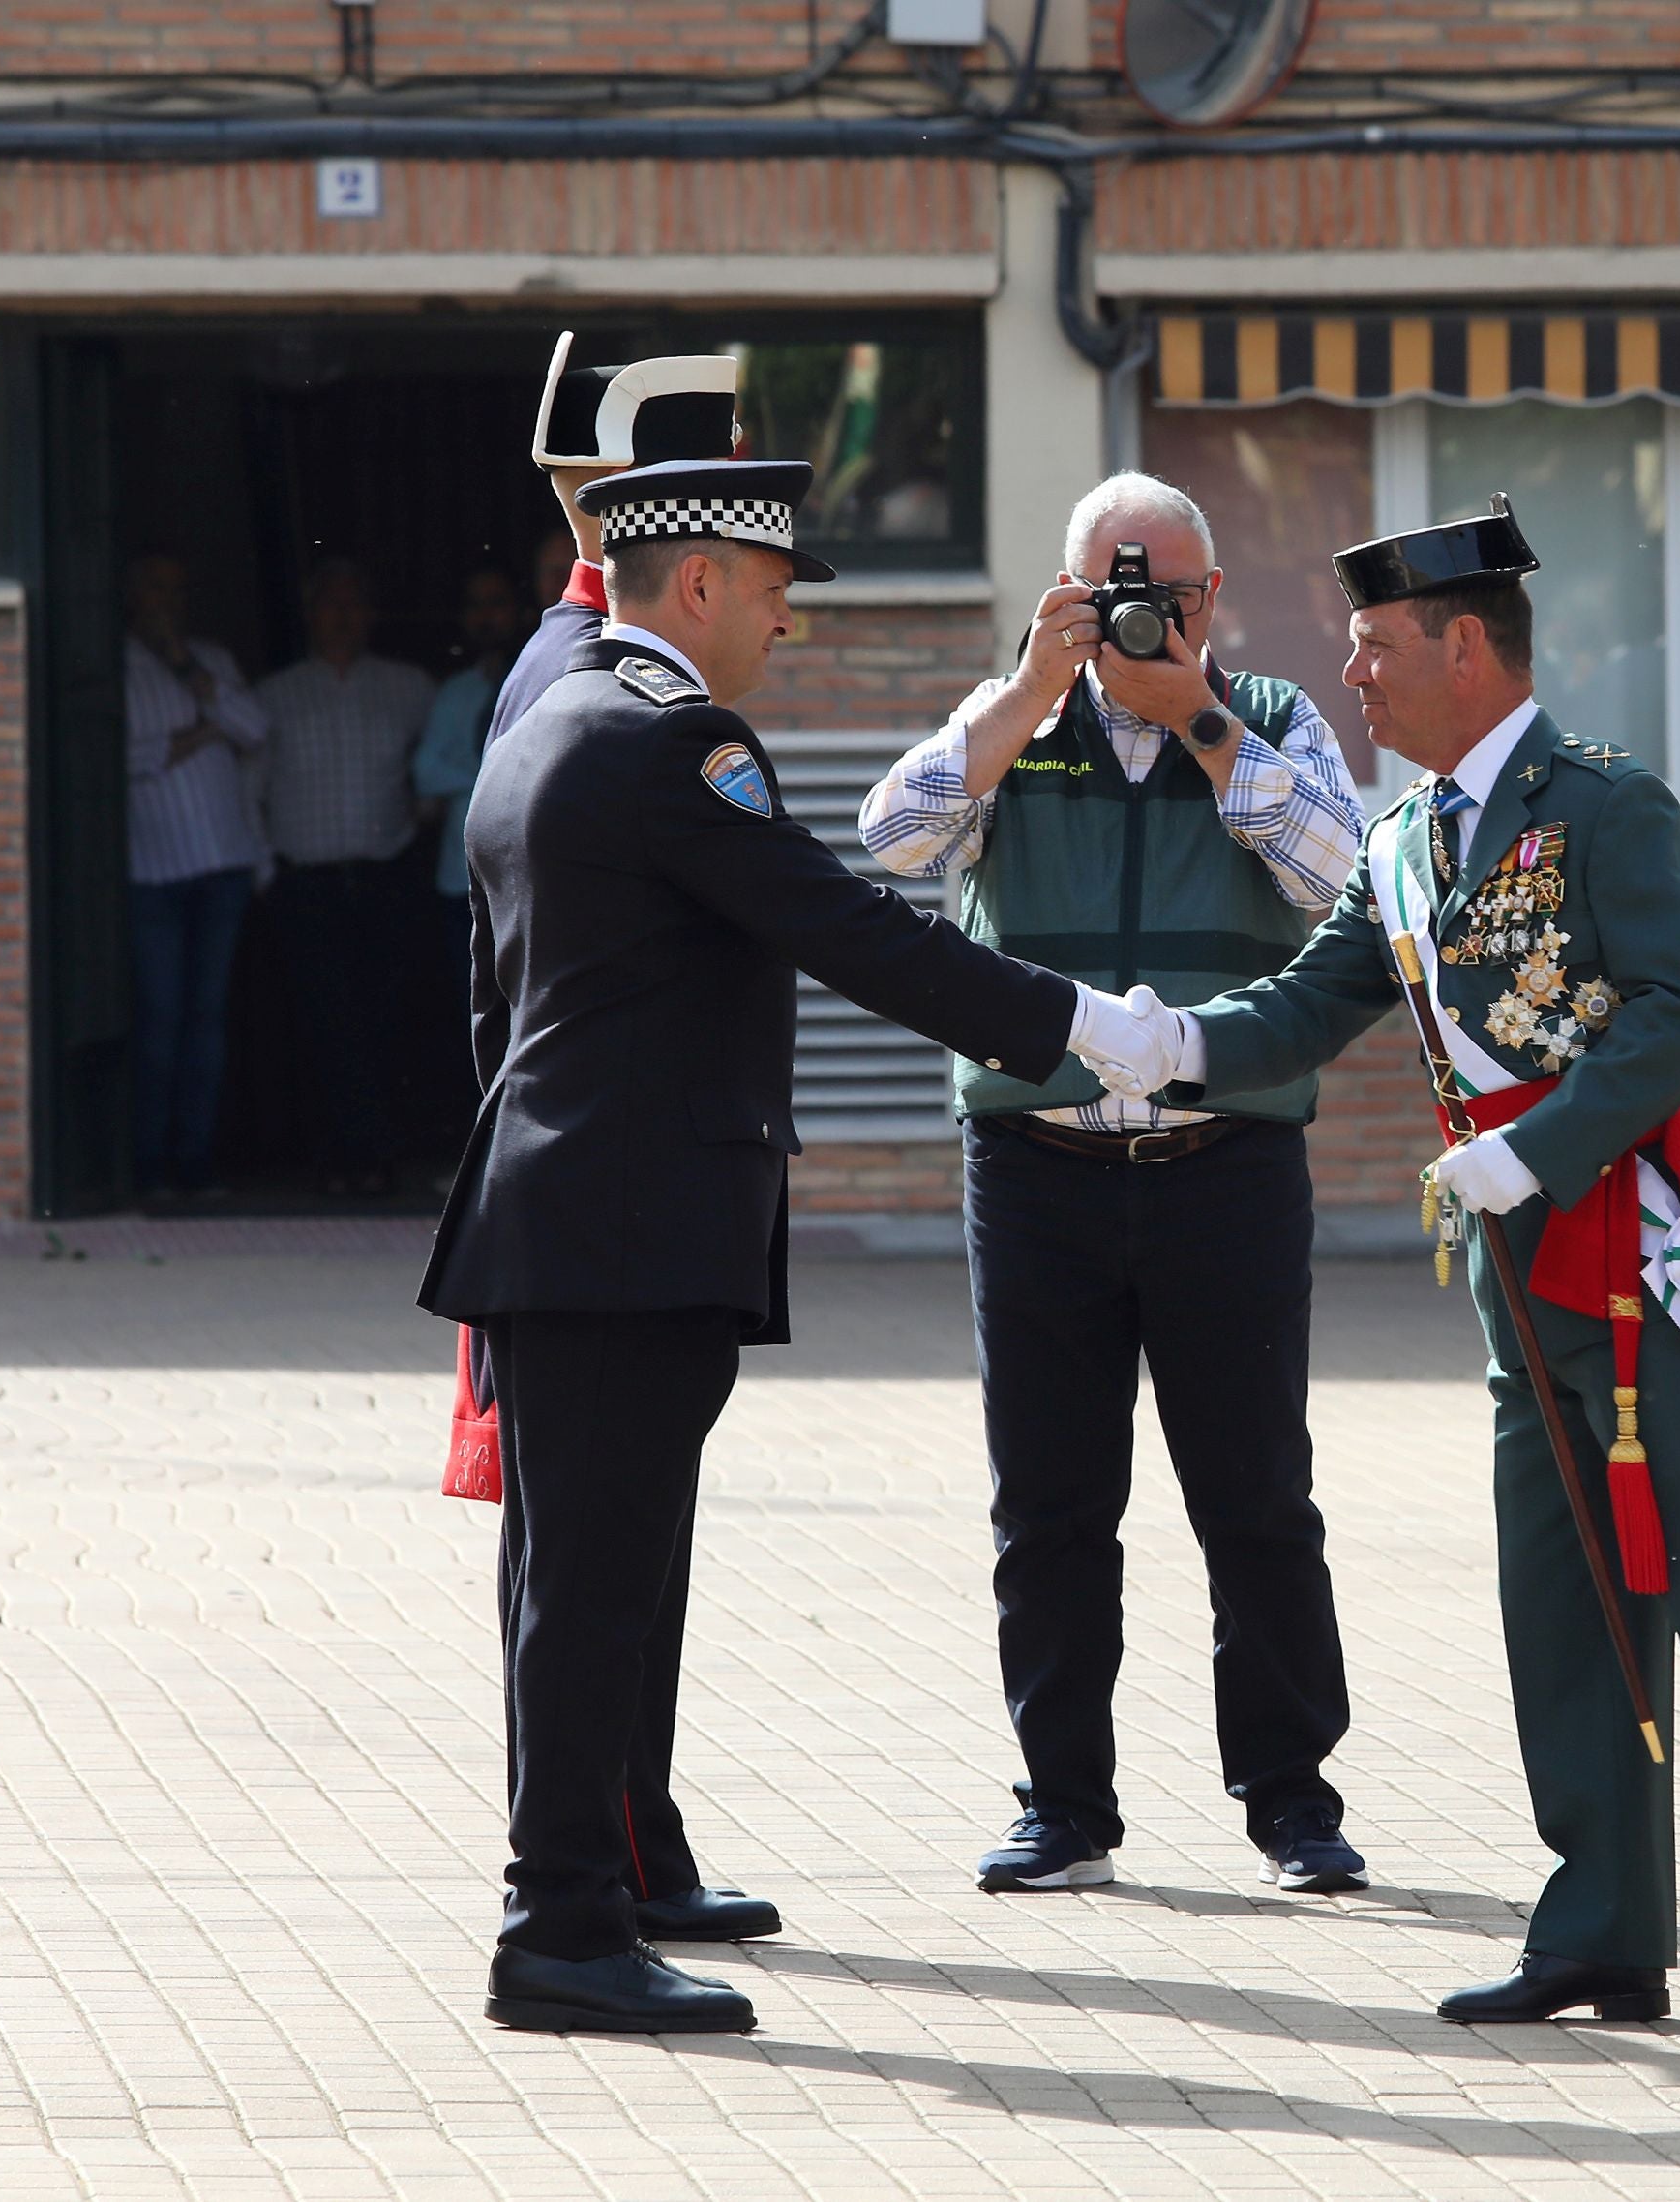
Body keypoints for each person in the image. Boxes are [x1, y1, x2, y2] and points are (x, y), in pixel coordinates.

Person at [421, 447, 1176, 2036]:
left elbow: (496, 1003)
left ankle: (606, 1879)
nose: (785, 629)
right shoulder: (673, 742)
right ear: (695, 583)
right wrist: (1083, 1026)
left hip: (560, 1214)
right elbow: (841, 928)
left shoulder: (539, 718)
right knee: (593, 1592)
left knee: (578, 1578)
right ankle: (558, 1924)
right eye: (770, 595)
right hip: (626, 1230)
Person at [1118, 499, 1680, 2025]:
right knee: (1562, 1594)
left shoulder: (1607, 804)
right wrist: (1154, 1042)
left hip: (1653, 1251)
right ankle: (1602, 1918)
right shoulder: (1403, 835)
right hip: (1520, 1271)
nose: (1352, 677)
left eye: (1374, 649)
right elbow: (1303, 1006)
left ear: (1464, 645)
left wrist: (1530, 1148)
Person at [857, 472, 1370, 1900]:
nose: (1156, 615)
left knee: (1257, 1497)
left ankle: (1291, 1801)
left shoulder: (1264, 717)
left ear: (1217, 600)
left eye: (1182, 594)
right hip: (1038, 1168)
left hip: (1228, 1164)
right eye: (1120, 591)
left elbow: (1343, 872)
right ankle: (1062, 1803)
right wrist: (1032, 688)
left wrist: (1199, 719)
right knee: (1051, 1503)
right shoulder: (1014, 717)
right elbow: (890, 843)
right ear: (1065, 594)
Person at [255, 557, 435, 1198]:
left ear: (371, 614)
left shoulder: (410, 687)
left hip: (385, 877)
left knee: (384, 1020)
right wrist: (261, 873)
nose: (341, 615)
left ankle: (380, 1153)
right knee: (319, 1023)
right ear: (309, 613)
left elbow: (440, 768)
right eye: (328, 602)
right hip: (304, 882)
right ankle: (330, 1157)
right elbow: (253, 787)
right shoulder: (275, 694)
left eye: (352, 602)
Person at [491, 336, 744, 750]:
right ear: (621, 486)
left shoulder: (579, 643)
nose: (722, 512)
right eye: (702, 485)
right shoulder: (604, 661)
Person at [120, 550, 271, 1203]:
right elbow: (123, 758)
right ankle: (150, 1168)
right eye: (155, 586)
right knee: (160, 1020)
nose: (166, 602)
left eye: (176, 590)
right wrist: (203, 733)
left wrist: (190, 673)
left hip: (224, 862)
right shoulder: (115, 663)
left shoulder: (210, 659)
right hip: (154, 870)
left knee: (206, 1020)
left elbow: (257, 728)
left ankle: (196, 1164)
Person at [416, 564, 529, 901]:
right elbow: (426, 772)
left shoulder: (544, 680)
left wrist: (463, 775)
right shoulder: (456, 691)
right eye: (475, 606)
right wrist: (497, 776)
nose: (485, 617)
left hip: (529, 882)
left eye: (496, 603)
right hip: (462, 878)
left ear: (520, 610)